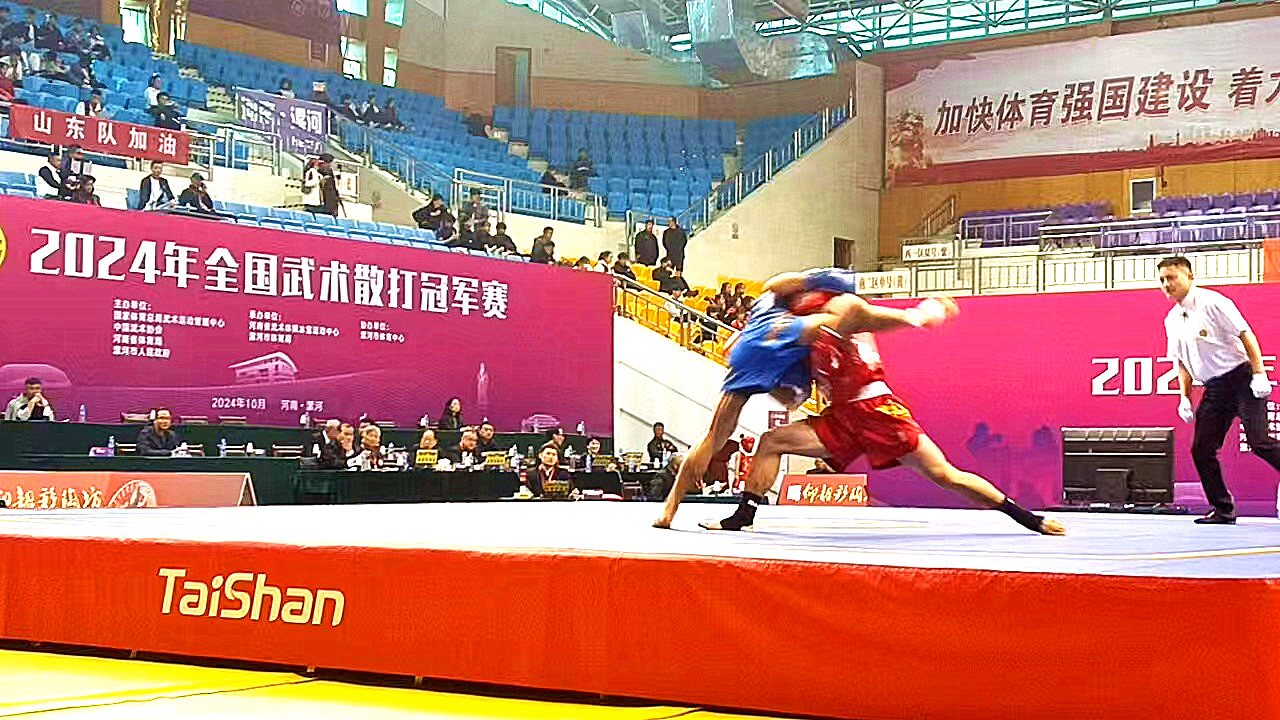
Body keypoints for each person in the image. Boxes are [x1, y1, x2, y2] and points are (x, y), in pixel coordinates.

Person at [702, 302, 1066, 535]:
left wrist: (919, 316)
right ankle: (743, 516)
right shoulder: (801, 348)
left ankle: (1027, 518)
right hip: (841, 418)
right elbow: (793, 399)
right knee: (772, 442)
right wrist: (756, 372)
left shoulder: (839, 318)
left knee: (944, 475)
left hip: (877, 411)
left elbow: (863, 313)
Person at [654, 268, 937, 528]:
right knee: (843, 325)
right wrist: (915, 317)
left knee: (716, 435)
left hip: (755, 345)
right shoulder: (823, 307)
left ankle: (670, 509)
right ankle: (915, 318)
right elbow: (861, 316)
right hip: (782, 337)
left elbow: (773, 285)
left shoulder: (781, 295)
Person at [1159, 256, 1279, 524]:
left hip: (1242, 380)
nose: (1167, 284)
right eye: (1162, 280)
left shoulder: (1214, 302)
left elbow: (1246, 334)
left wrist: (1259, 374)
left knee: (1259, 442)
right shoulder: (1171, 319)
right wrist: (1184, 398)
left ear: (1189, 277)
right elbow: (1181, 363)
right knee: (1202, 450)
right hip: (1214, 388)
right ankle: (1223, 509)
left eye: (1172, 277)